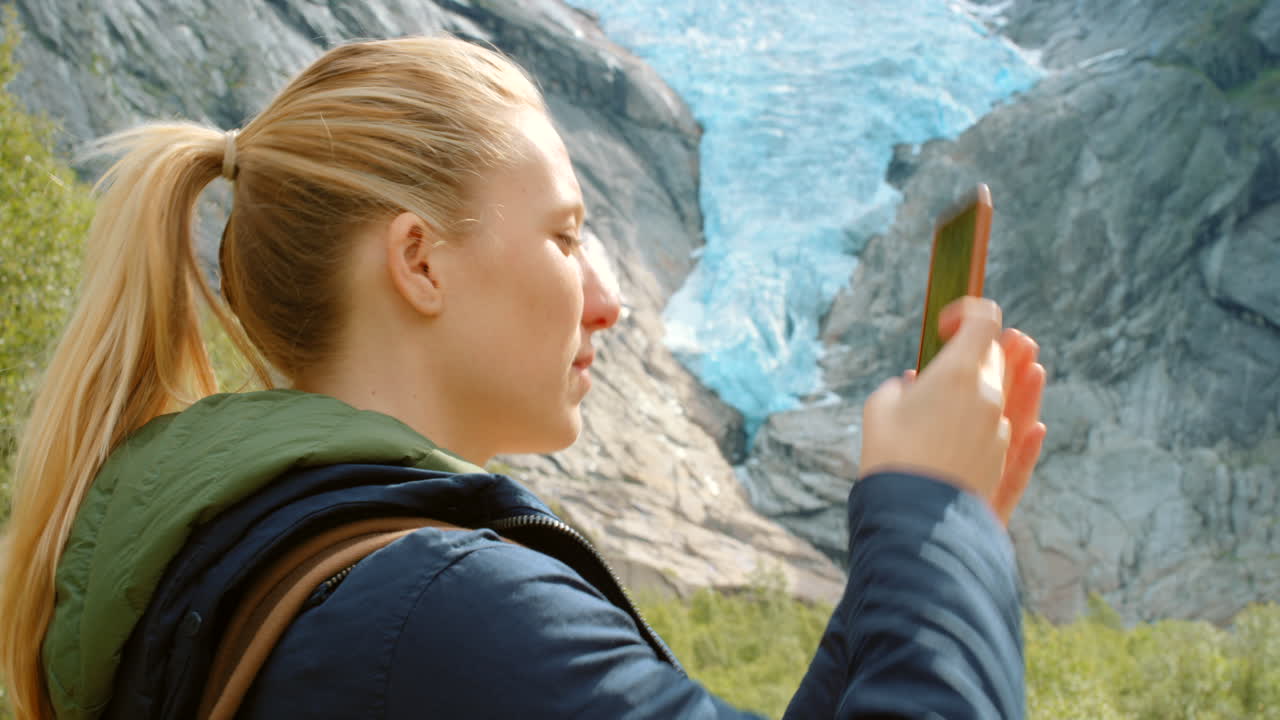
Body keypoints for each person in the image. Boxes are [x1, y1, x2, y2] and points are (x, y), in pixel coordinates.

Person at [0, 35, 1046, 719]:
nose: (610, 298)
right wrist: (935, 518)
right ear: (417, 261)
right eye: (564, 233)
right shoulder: (440, 615)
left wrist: (912, 566)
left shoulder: (257, 571)